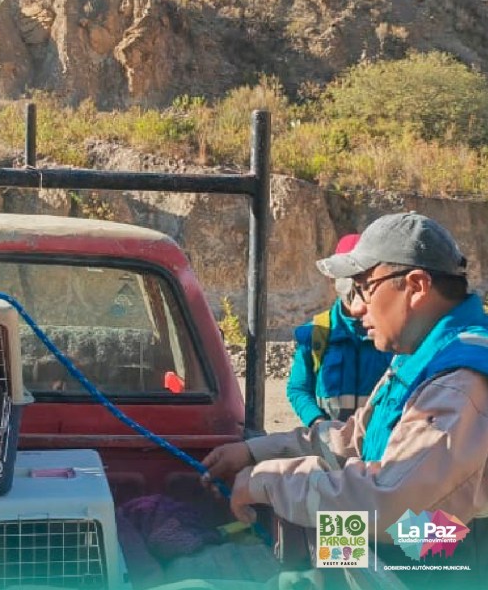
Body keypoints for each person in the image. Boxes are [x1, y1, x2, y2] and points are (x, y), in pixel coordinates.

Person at [203, 212, 488, 584]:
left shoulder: (460, 381)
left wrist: (266, 483)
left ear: (416, 286)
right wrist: (256, 452)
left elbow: (389, 502)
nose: (356, 306)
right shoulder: (419, 358)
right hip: (399, 546)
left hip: (439, 561)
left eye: (364, 286)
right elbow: (355, 439)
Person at [287, 234, 393, 426]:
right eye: (350, 276)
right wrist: (319, 424)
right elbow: (298, 389)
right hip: (330, 440)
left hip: (378, 439)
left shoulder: (392, 331)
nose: (356, 285)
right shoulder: (317, 332)